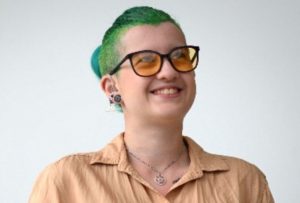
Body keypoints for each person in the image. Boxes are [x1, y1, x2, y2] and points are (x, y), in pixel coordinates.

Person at [29, 6, 274, 202]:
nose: (169, 71)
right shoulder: (65, 182)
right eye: (146, 61)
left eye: (179, 57)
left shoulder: (245, 182)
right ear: (112, 88)